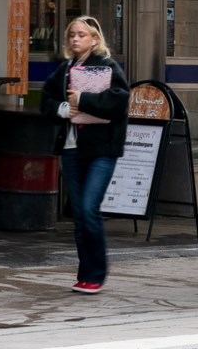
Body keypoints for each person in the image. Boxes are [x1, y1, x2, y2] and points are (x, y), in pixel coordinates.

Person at [37, 16, 131, 294]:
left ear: (94, 39)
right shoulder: (65, 69)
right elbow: (46, 100)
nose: (75, 39)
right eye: (72, 35)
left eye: (81, 35)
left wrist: (83, 100)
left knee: (90, 208)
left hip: (101, 149)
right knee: (79, 214)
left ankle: (97, 273)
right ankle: (86, 274)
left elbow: (119, 101)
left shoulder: (107, 67)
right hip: (71, 149)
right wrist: (65, 108)